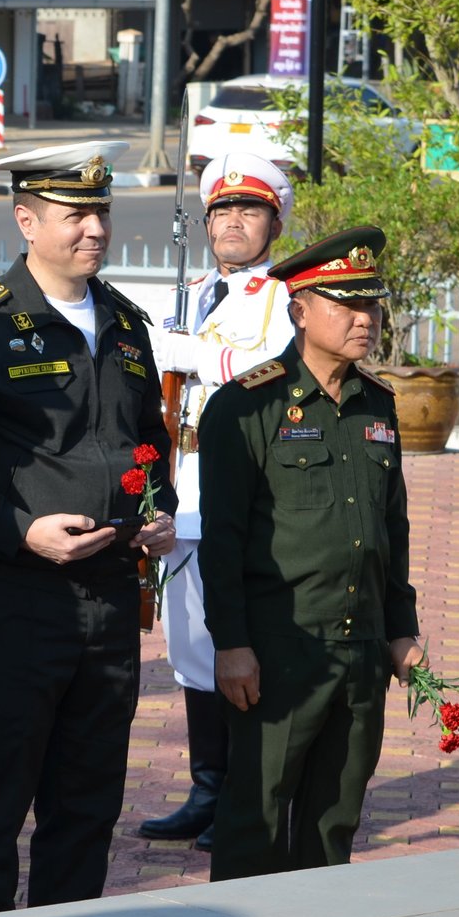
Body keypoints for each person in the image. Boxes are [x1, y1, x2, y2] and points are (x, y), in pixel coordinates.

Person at [0, 140, 177, 917]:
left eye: (101, 212)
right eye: (74, 214)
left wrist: (162, 512)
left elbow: (148, 441)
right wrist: (20, 530)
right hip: (14, 599)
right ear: (26, 220)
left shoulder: (123, 322)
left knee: (88, 804)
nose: (93, 229)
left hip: (108, 599)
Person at [198, 225, 422, 882]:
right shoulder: (247, 407)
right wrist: (231, 643)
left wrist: (401, 631)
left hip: (359, 649)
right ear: (300, 309)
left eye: (373, 304)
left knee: (336, 820)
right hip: (278, 650)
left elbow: (394, 529)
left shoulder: (376, 404)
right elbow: (223, 539)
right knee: (256, 818)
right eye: (347, 304)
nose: (365, 319)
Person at [137, 152, 298, 851]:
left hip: (243, 498)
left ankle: (247, 790)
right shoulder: (193, 292)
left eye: (249, 210)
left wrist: (191, 356)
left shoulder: (285, 296)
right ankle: (207, 788)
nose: (233, 222)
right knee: (191, 651)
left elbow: (274, 372)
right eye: (222, 211)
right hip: (182, 499)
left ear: (274, 221)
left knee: (243, 645)